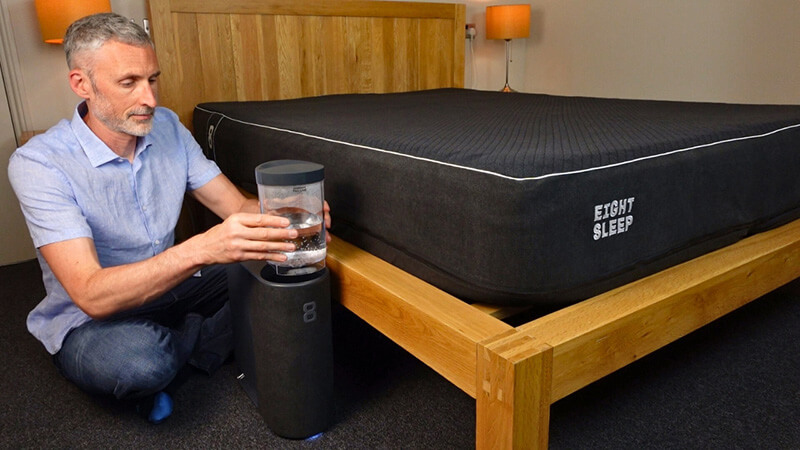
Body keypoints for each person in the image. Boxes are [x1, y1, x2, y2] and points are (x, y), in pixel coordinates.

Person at [8, 12, 331, 424]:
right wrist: (203, 248)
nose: (151, 99)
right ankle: (193, 346)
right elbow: (90, 293)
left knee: (288, 270)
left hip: (173, 288)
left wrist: (294, 212)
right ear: (81, 84)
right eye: (129, 83)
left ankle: (181, 344)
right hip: (92, 317)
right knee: (141, 362)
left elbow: (236, 208)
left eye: (153, 79)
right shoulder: (38, 163)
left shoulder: (169, 128)